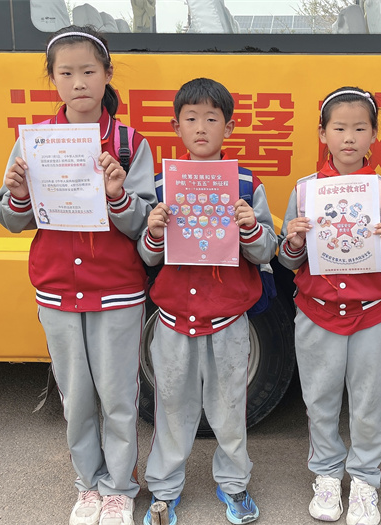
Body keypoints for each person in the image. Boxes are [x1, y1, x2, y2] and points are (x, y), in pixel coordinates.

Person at [0, 25, 156, 525]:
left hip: (117, 290)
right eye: (66, 73)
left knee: (119, 397)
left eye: (88, 71)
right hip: (58, 288)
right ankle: (88, 485)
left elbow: (146, 222)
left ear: (107, 74)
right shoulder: (35, 142)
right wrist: (20, 193)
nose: (78, 82)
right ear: (53, 79)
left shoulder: (128, 143)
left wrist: (118, 194)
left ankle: (119, 488)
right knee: (76, 396)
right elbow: (12, 217)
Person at [139, 77, 277, 525]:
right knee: (171, 408)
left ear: (229, 127)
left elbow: (266, 250)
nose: (201, 128)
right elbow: (146, 255)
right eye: (191, 118)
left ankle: (234, 484)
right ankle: (164, 490)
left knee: (230, 409)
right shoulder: (161, 184)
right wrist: (154, 231)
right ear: (176, 126)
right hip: (173, 319)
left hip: (227, 319)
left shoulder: (245, 183)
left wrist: (250, 227)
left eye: (212, 119)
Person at [278, 87, 381, 525]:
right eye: (339, 128)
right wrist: (294, 240)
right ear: (323, 134)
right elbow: (287, 260)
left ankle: (364, 480)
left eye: (360, 128)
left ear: (375, 134)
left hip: (372, 313)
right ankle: (325, 473)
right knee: (318, 398)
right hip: (316, 311)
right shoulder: (305, 192)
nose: (349, 138)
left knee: (367, 401)